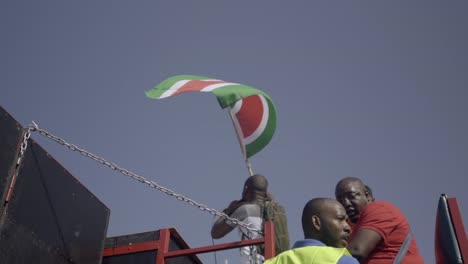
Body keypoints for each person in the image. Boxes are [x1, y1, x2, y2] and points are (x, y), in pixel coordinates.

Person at [335, 177, 424, 263]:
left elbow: (357, 251)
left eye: (351, 196)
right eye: (340, 200)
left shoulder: (379, 208)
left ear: (367, 196)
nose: (346, 203)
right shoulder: (351, 228)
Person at [265, 198, 359, 264]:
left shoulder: (274, 262)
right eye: (340, 219)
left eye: (346, 221)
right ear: (316, 222)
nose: (348, 228)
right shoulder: (341, 259)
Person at [211, 174, 270, 264]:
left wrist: (229, 210)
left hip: (251, 260)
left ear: (246, 190)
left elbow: (215, 233)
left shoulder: (245, 210)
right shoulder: (274, 212)